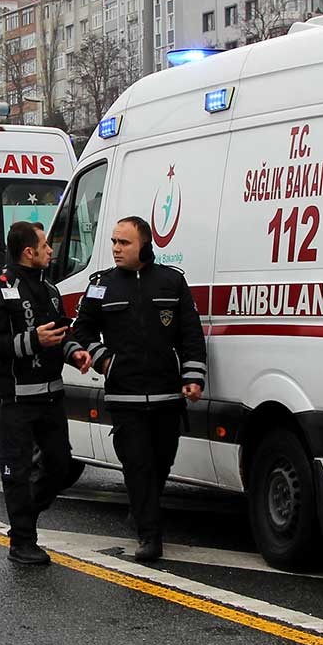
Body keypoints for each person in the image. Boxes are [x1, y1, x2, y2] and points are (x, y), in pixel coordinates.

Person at [67, 216, 206, 562]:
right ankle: (149, 535)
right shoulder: (101, 285)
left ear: (144, 246)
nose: (115, 248)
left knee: (161, 463)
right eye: (114, 241)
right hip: (124, 396)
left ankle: (142, 508)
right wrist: (104, 362)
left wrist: (193, 378)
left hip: (166, 396)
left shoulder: (172, 282)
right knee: (137, 464)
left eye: (124, 243)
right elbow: (81, 330)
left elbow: (190, 334)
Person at [0, 219, 77, 566]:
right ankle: (22, 542)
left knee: (61, 466)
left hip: (51, 398)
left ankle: (25, 516)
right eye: (45, 245)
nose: (51, 250)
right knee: (16, 471)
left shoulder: (50, 290)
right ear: (28, 252)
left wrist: (75, 353)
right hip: (16, 399)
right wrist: (33, 341)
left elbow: (61, 332)